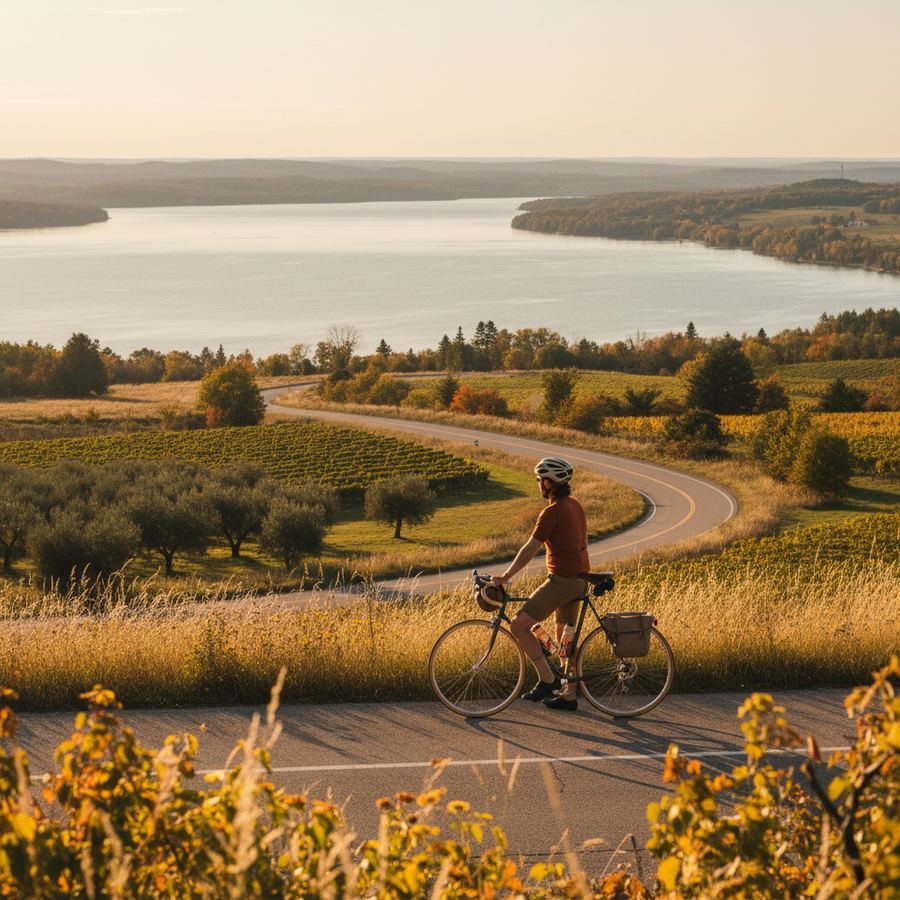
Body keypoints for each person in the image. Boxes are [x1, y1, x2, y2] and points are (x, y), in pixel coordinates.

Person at [490, 456, 589, 711]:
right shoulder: (575, 505)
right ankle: (569, 695)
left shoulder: (551, 512)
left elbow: (529, 549)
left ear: (547, 483)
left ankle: (547, 678)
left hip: (562, 582)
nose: (538, 485)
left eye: (539, 481)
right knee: (563, 640)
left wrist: (505, 576)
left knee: (519, 625)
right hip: (578, 579)